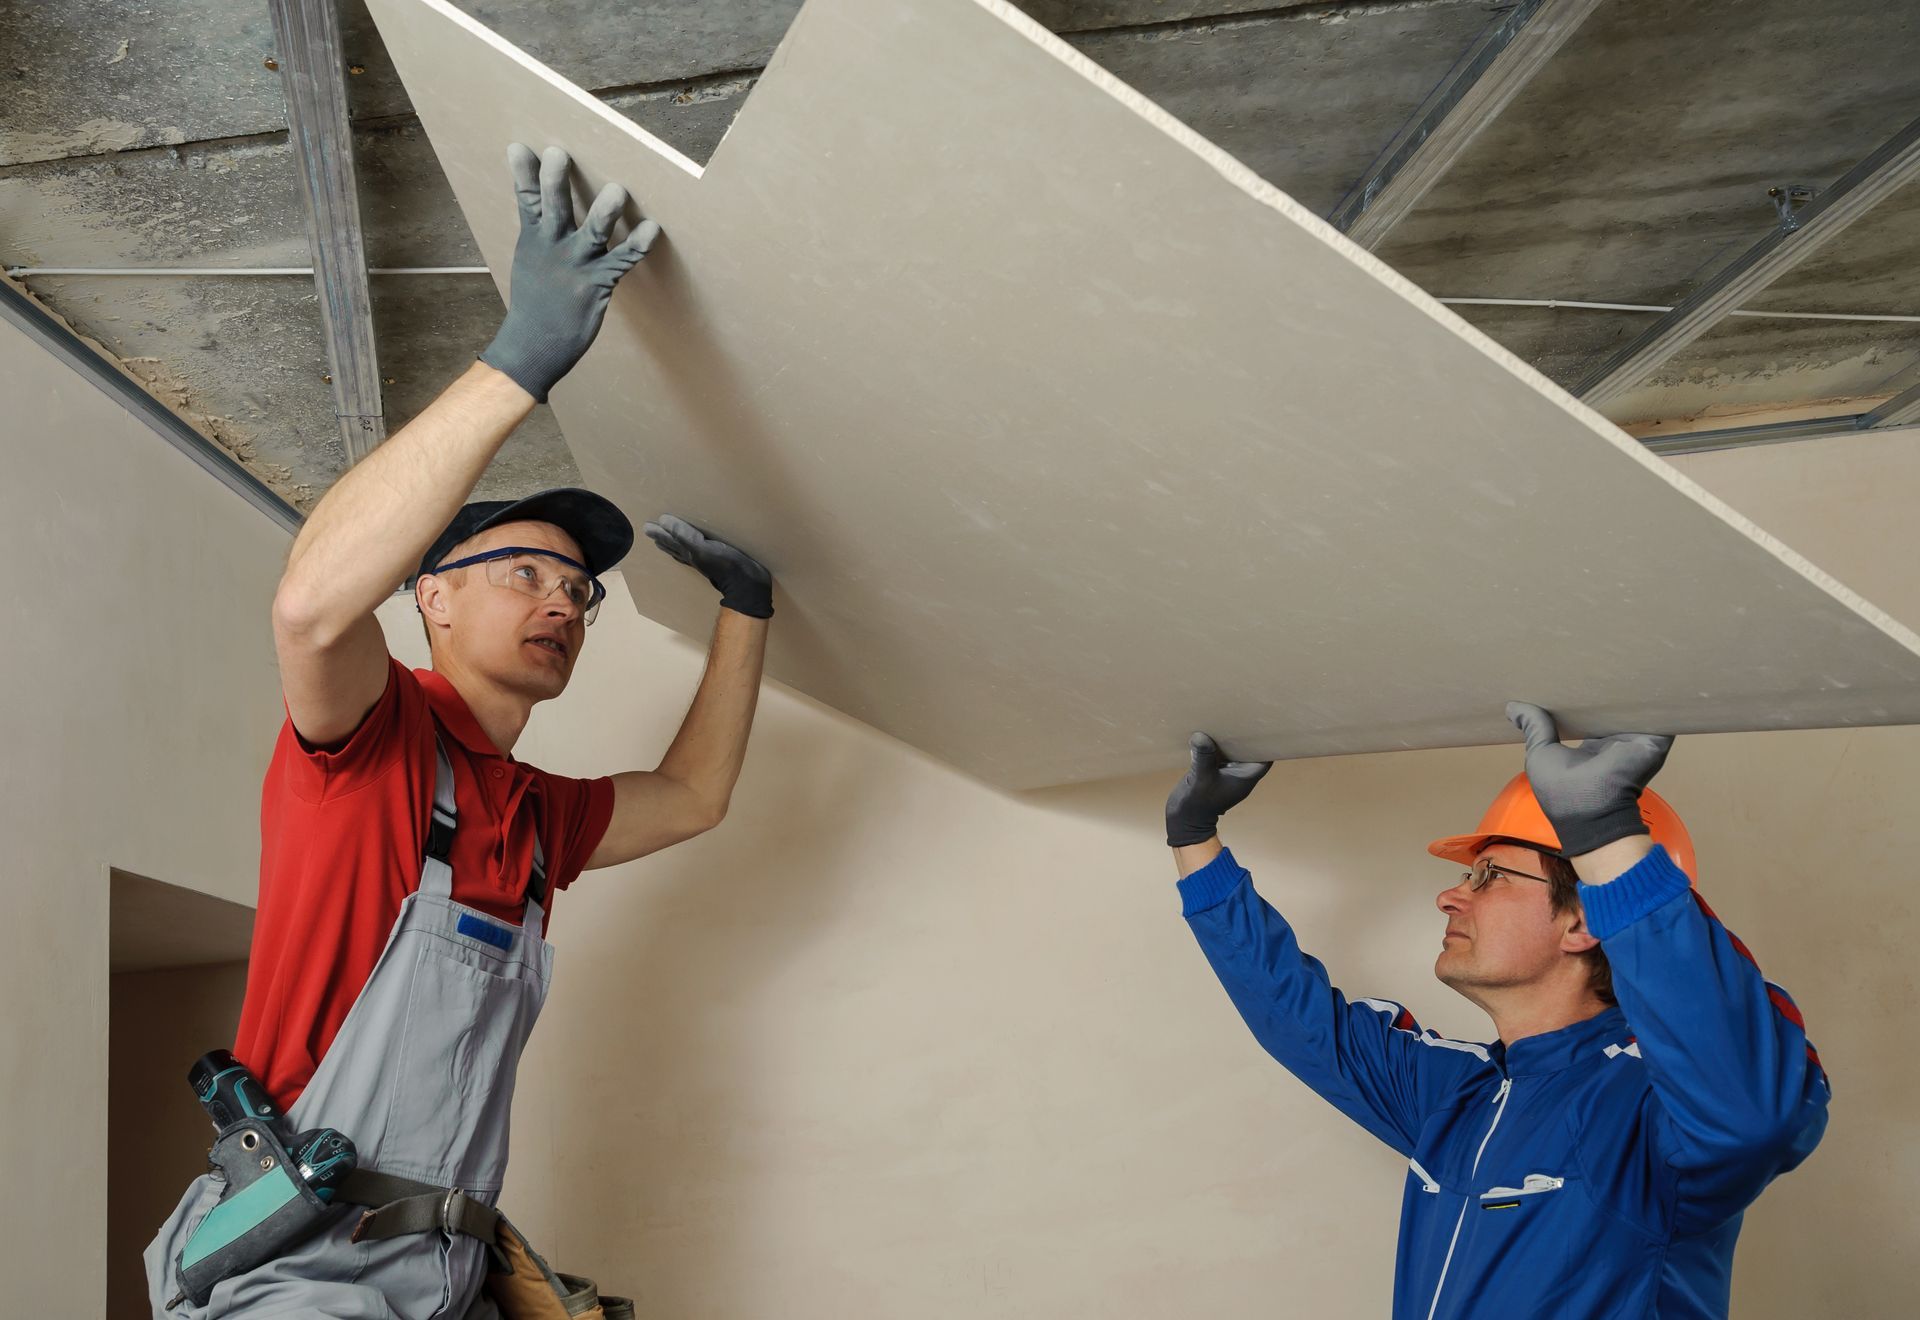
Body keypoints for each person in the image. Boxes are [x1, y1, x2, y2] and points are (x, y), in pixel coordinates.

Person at [146, 144, 772, 1317]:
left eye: (580, 592)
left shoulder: (536, 819)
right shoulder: (372, 740)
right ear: (430, 595)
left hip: (444, 1278)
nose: (561, 601)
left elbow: (692, 798)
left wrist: (748, 612)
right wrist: (518, 360)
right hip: (301, 1279)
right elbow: (309, 604)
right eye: (526, 569)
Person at [1165, 702, 1829, 1319]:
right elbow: (1302, 1022)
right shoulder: (1462, 1093)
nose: (1450, 899)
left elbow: (1754, 1113)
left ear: (1583, 923)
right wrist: (1194, 840)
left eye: (1489, 877)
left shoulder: (1645, 1111)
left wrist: (1605, 835)